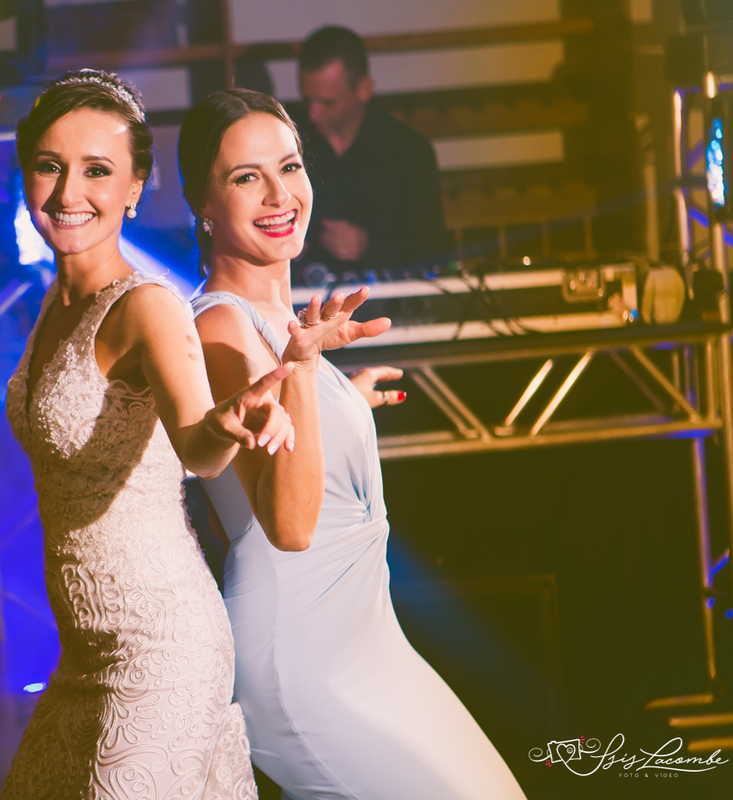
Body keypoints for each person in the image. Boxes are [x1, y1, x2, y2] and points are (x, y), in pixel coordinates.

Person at [179, 88, 529, 799]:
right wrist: (309, 373)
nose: (280, 195)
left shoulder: (278, 318)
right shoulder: (219, 327)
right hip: (304, 656)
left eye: (290, 166)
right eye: (246, 177)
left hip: (369, 637)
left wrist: (343, 400)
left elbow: (284, 447)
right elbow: (287, 526)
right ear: (203, 203)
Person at [0, 70, 297, 800]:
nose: (69, 192)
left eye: (97, 170)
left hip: (160, 649)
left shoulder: (147, 307)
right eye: (50, 166)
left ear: (135, 187)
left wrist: (228, 422)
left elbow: (197, 446)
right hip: (82, 656)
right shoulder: (53, 303)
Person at [294, 26, 449, 275]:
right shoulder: (292, 144)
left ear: (364, 89)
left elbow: (432, 251)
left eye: (328, 102)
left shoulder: (410, 152)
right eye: (307, 99)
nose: (313, 114)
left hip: (393, 293)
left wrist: (369, 247)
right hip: (306, 293)